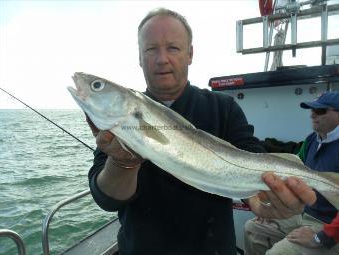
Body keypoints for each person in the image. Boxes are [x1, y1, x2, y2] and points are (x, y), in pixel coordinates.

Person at [87, 8, 316, 255]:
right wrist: (123, 163)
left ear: (190, 54)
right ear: (140, 58)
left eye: (173, 48)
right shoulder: (116, 124)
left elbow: (252, 158)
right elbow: (107, 199)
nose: (162, 59)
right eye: (150, 49)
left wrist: (266, 200)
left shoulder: (223, 107)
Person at [244, 91, 339, 255]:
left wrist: (321, 238)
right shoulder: (311, 140)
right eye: (311, 110)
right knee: (253, 228)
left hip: (329, 224)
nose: (313, 115)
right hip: (304, 213)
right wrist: (272, 206)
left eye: (320, 110)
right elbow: (293, 173)